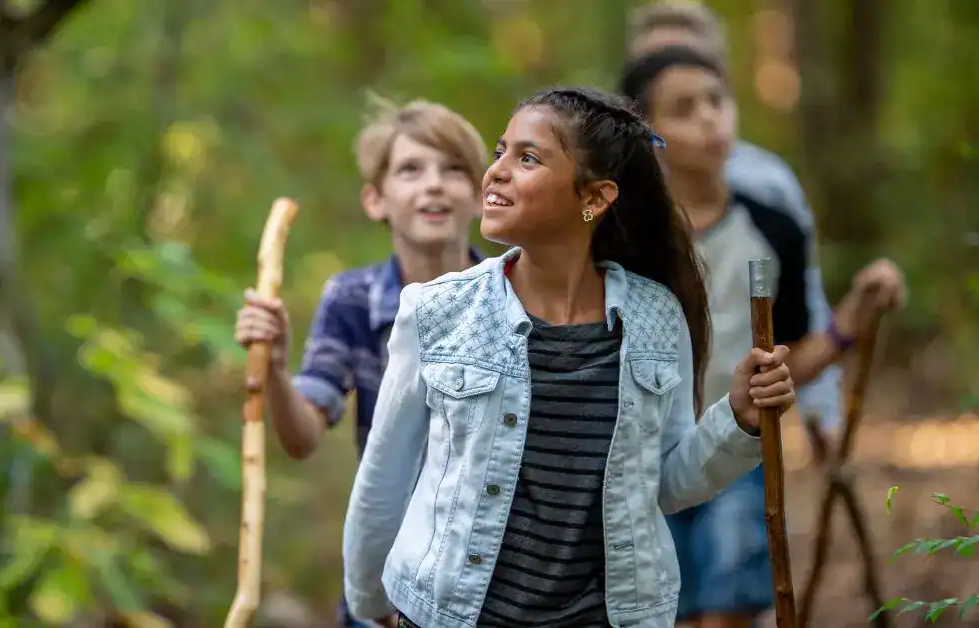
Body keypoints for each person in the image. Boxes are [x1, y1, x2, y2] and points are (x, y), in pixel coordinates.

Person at [342, 85, 799, 628]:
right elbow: (384, 477)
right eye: (500, 152)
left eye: (528, 157)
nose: (497, 172)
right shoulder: (438, 311)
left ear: (594, 198)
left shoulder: (655, 317)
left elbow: (667, 483)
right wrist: (370, 603)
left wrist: (738, 418)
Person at [619, 45, 906, 628]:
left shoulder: (772, 229)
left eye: (716, 101)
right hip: (634, 459)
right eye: (684, 108)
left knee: (728, 610)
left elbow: (791, 358)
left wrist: (852, 317)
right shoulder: (621, 238)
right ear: (647, 131)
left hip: (739, 451)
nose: (708, 118)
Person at [233, 97, 489, 628]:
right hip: (386, 575)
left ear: (482, 195)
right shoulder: (352, 300)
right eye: (411, 170)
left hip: (489, 574)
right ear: (377, 200)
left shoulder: (513, 298)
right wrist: (277, 367)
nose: (434, 184)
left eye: (454, 169)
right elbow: (303, 436)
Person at [627, 0, 846, 435]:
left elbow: (803, 310)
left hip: (733, 436)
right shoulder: (616, 214)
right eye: (657, 63)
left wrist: (823, 412)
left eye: (712, 96)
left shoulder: (769, 191)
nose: (706, 117)